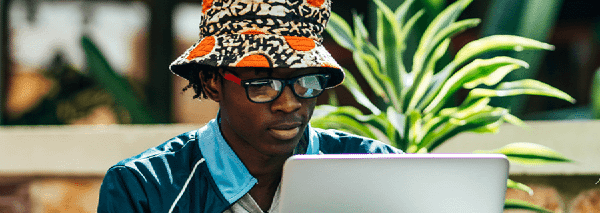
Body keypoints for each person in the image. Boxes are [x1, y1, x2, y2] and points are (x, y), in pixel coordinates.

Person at [98, 0, 400, 212]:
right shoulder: (144, 189)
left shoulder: (379, 169)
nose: (290, 103)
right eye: (263, 83)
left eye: (306, 80)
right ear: (213, 81)